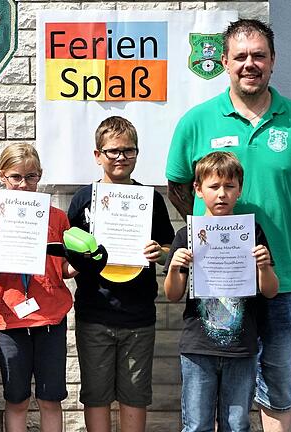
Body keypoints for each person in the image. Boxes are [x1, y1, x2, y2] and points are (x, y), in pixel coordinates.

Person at [165, 19, 291, 431]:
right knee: (214, 389)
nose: (251, 64)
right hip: (217, 284)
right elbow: (178, 184)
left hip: (276, 277)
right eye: (242, 56)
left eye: (259, 56)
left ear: (273, 62)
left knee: (278, 382)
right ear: (225, 62)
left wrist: (280, 231)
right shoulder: (197, 120)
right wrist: (204, 236)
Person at [67, 116, 174, 432]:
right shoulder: (84, 199)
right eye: (112, 151)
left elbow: (169, 247)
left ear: (137, 154)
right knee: (96, 396)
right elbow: (70, 256)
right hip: (95, 313)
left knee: (135, 396)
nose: (121, 157)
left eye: (128, 150)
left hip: (138, 317)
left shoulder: (151, 199)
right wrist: (81, 262)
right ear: (97, 155)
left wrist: (160, 252)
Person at [164, 151, 278, 431]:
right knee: (196, 424)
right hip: (198, 345)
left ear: (239, 190)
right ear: (198, 189)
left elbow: (271, 291)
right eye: (214, 186)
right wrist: (175, 266)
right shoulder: (186, 236)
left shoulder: (251, 231)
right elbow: (172, 294)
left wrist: (263, 267)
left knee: (237, 424)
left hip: (242, 346)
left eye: (229, 186)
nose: (222, 194)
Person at [0, 143, 75, 432]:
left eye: (31, 177)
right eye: (16, 177)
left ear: (40, 176)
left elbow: (64, 269)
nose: (24, 184)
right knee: (17, 399)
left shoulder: (57, 217)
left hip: (50, 317)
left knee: (50, 399)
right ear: (2, 177)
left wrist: (87, 262)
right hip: (10, 319)